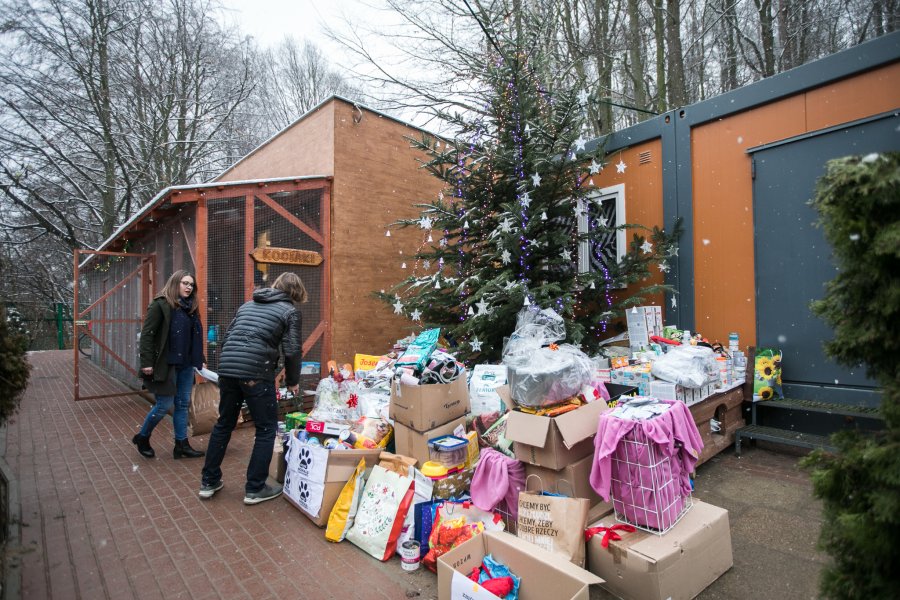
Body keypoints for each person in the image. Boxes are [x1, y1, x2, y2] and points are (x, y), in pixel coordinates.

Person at [199, 272, 306, 504]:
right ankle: (255, 488)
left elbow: (227, 338)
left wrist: (228, 367)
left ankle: (208, 481)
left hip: (228, 369)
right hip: (256, 372)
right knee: (266, 429)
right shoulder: (290, 312)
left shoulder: (248, 305)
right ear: (296, 293)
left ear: (276, 285)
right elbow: (293, 350)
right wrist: (292, 381)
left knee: (224, 424)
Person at [133, 270, 206, 460]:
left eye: (191, 284)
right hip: (166, 365)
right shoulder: (161, 305)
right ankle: (142, 437)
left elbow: (193, 336)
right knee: (164, 405)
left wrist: (200, 357)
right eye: (185, 283)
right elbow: (147, 335)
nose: (189, 287)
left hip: (186, 364)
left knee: (182, 404)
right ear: (175, 283)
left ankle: (181, 445)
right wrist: (146, 363)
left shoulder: (191, 307)